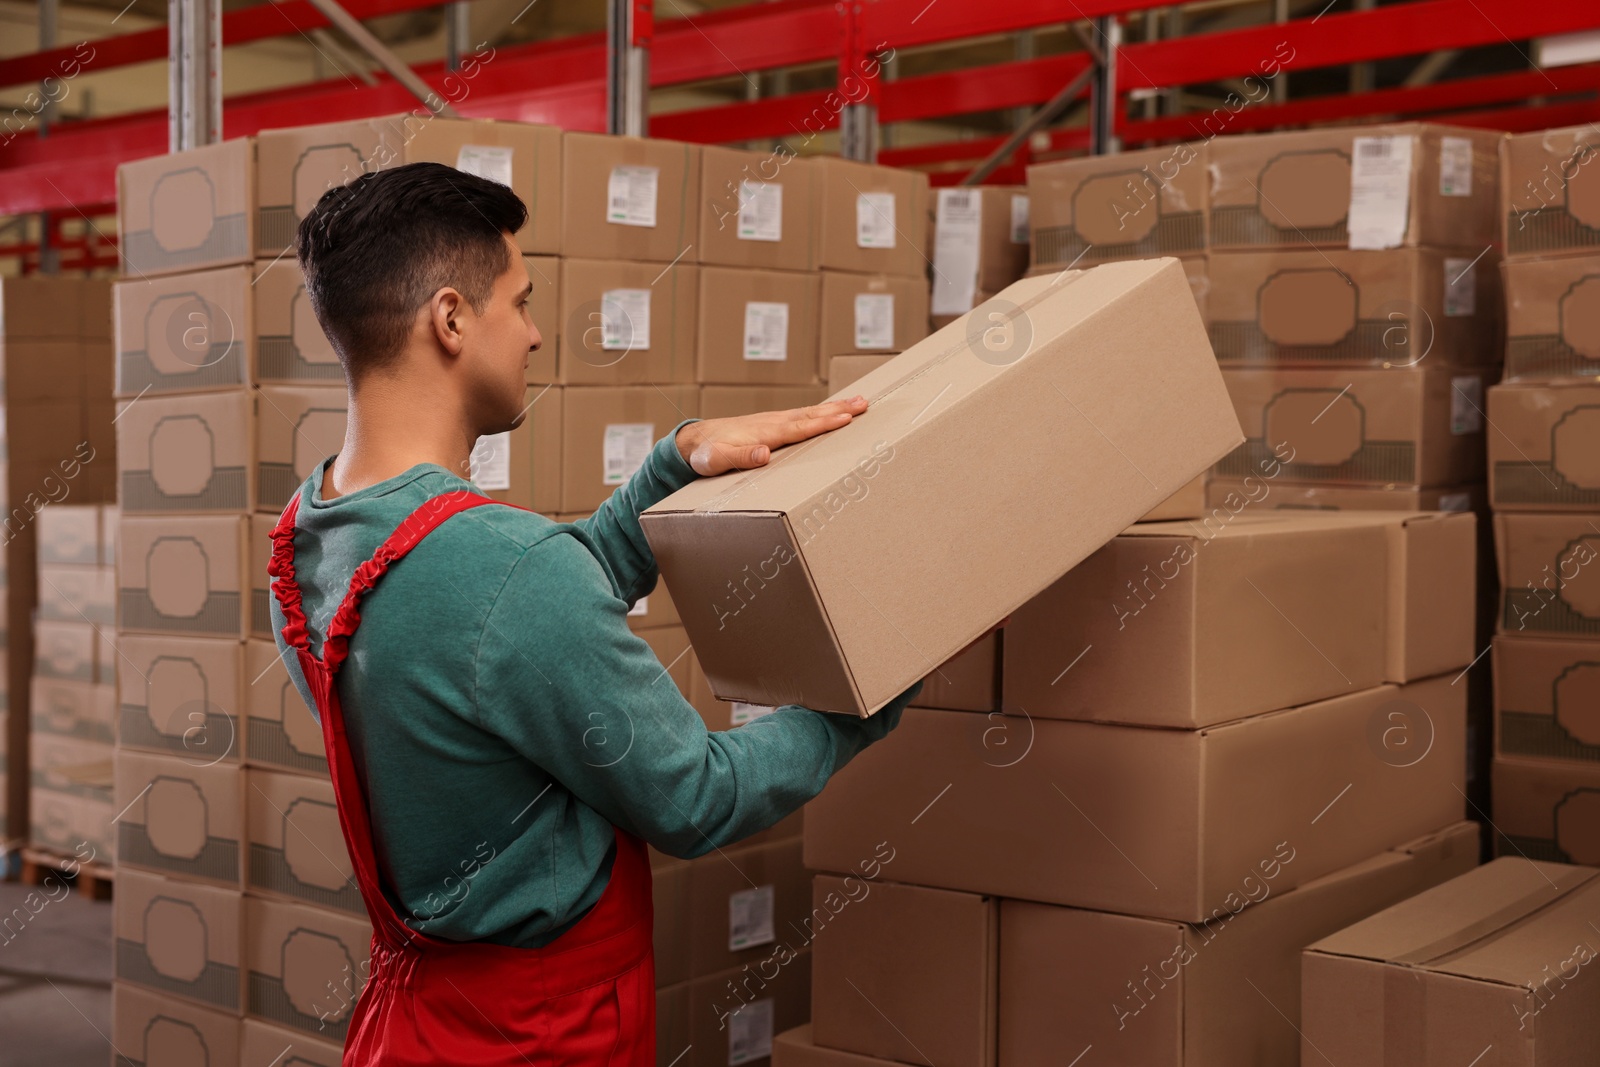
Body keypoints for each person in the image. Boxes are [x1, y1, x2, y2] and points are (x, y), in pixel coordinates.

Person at [266, 160, 924, 1065]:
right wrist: (871, 691)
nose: (536, 335)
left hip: (419, 1020)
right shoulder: (502, 567)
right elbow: (697, 797)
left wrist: (676, 460)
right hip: (543, 1031)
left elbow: (503, 635)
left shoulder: (310, 534)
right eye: (522, 303)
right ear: (451, 319)